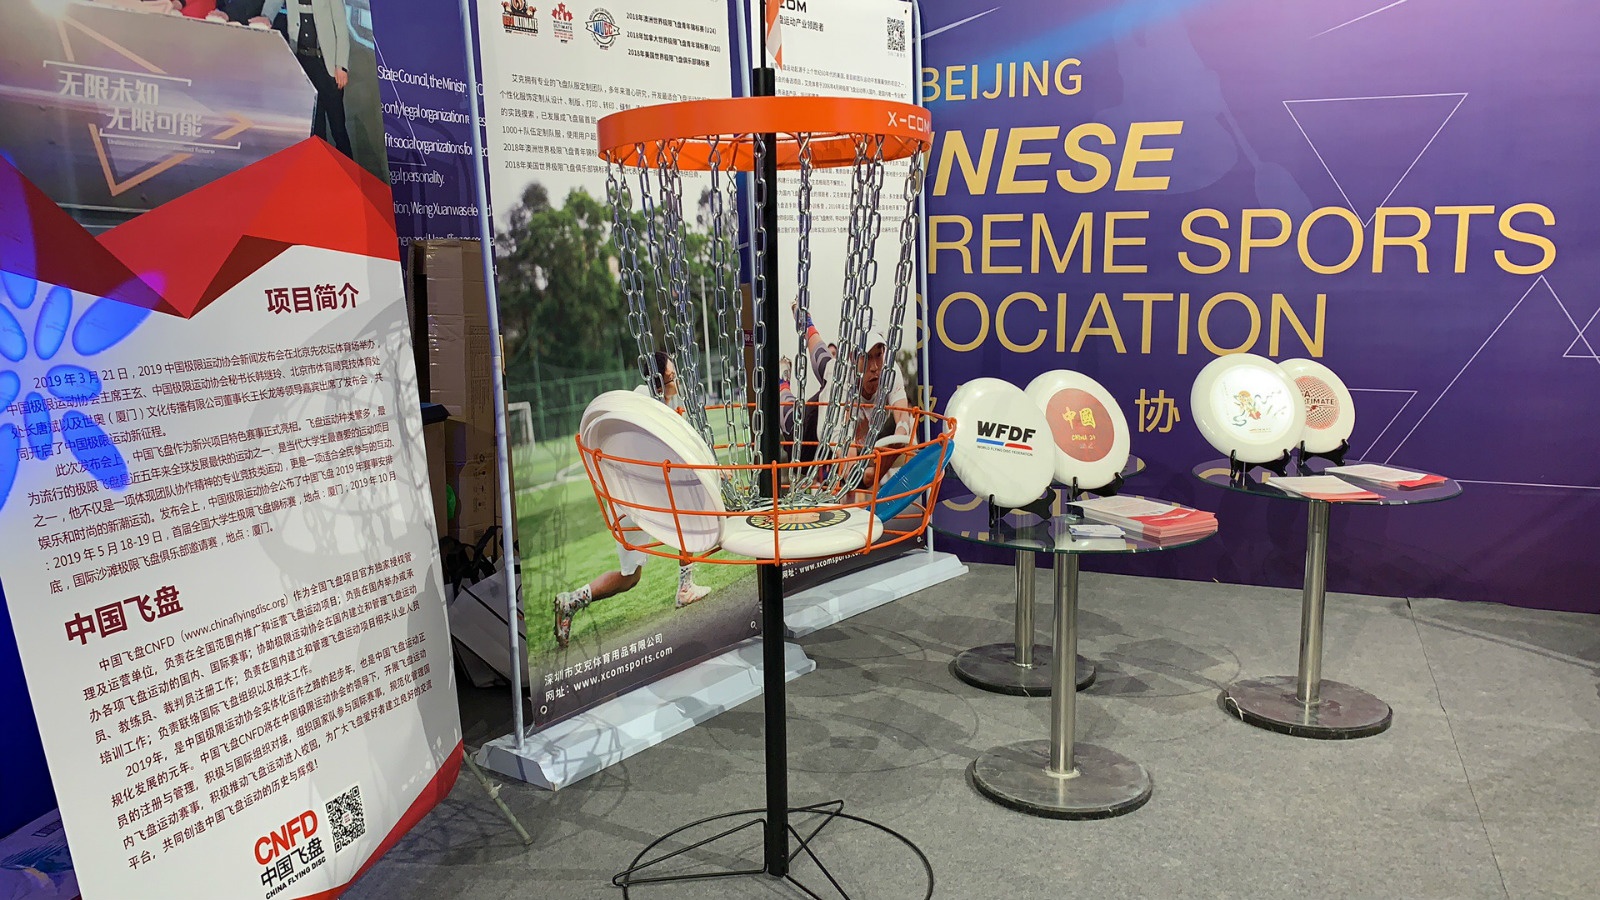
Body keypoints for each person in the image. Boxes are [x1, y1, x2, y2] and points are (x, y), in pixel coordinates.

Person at [553, 351, 713, 649]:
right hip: (632, 497)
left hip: (635, 495)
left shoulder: (658, 402)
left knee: (631, 576)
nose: (677, 381)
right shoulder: (642, 406)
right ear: (659, 382)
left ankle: (572, 600)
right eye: (672, 377)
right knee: (685, 514)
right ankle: (685, 588)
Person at [779, 304, 914, 490]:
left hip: (854, 436)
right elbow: (851, 463)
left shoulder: (889, 370)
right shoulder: (839, 379)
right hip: (817, 436)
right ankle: (783, 382)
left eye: (878, 355)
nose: (875, 367)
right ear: (852, 357)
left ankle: (805, 321)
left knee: (826, 361)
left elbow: (903, 417)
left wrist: (898, 441)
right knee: (788, 420)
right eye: (866, 357)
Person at [255, 0, 352, 157]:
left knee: (338, 127)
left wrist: (341, 65)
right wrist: (266, 17)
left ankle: (348, 168)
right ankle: (321, 167)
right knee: (315, 127)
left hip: (326, 65)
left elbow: (341, 27)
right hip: (303, 62)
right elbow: (273, 3)